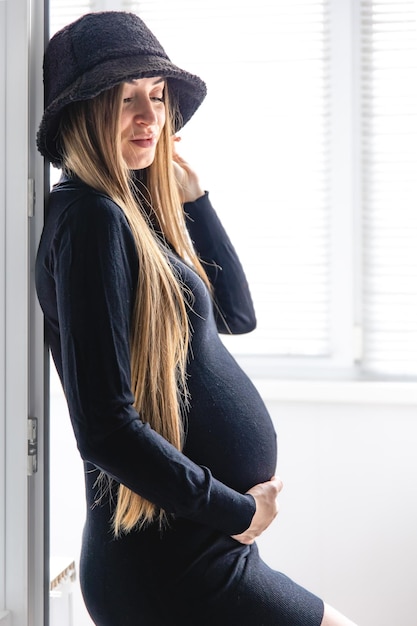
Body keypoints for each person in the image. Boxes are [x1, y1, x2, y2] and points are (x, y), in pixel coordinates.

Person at [36, 11, 358, 626]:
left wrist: (195, 202)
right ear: (83, 112)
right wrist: (237, 511)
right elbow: (104, 428)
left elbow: (235, 315)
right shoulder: (90, 219)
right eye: (125, 99)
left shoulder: (124, 210)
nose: (150, 117)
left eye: (156, 97)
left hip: (198, 550)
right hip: (172, 564)